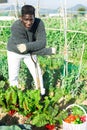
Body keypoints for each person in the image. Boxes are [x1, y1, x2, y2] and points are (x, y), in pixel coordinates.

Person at [7, 5, 56, 95]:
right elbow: (23, 50)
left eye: (31, 19)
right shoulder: (16, 26)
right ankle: (14, 96)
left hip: (30, 51)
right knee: (13, 76)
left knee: (37, 73)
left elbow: (42, 43)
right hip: (14, 52)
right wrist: (48, 51)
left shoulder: (39, 23)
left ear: (34, 17)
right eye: (26, 19)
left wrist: (27, 46)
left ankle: (41, 94)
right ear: (21, 18)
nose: (29, 22)